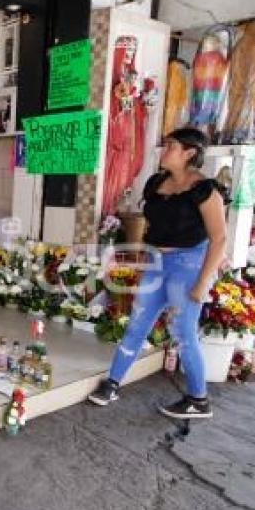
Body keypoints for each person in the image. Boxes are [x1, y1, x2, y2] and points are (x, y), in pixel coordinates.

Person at [88, 128, 227, 419]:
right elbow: (150, 226)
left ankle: (199, 400)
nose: (164, 150)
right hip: (156, 262)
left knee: (183, 333)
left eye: (171, 146)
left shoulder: (205, 190)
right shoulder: (156, 184)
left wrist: (202, 282)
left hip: (189, 264)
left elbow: (219, 240)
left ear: (190, 153)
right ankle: (112, 383)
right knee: (137, 323)